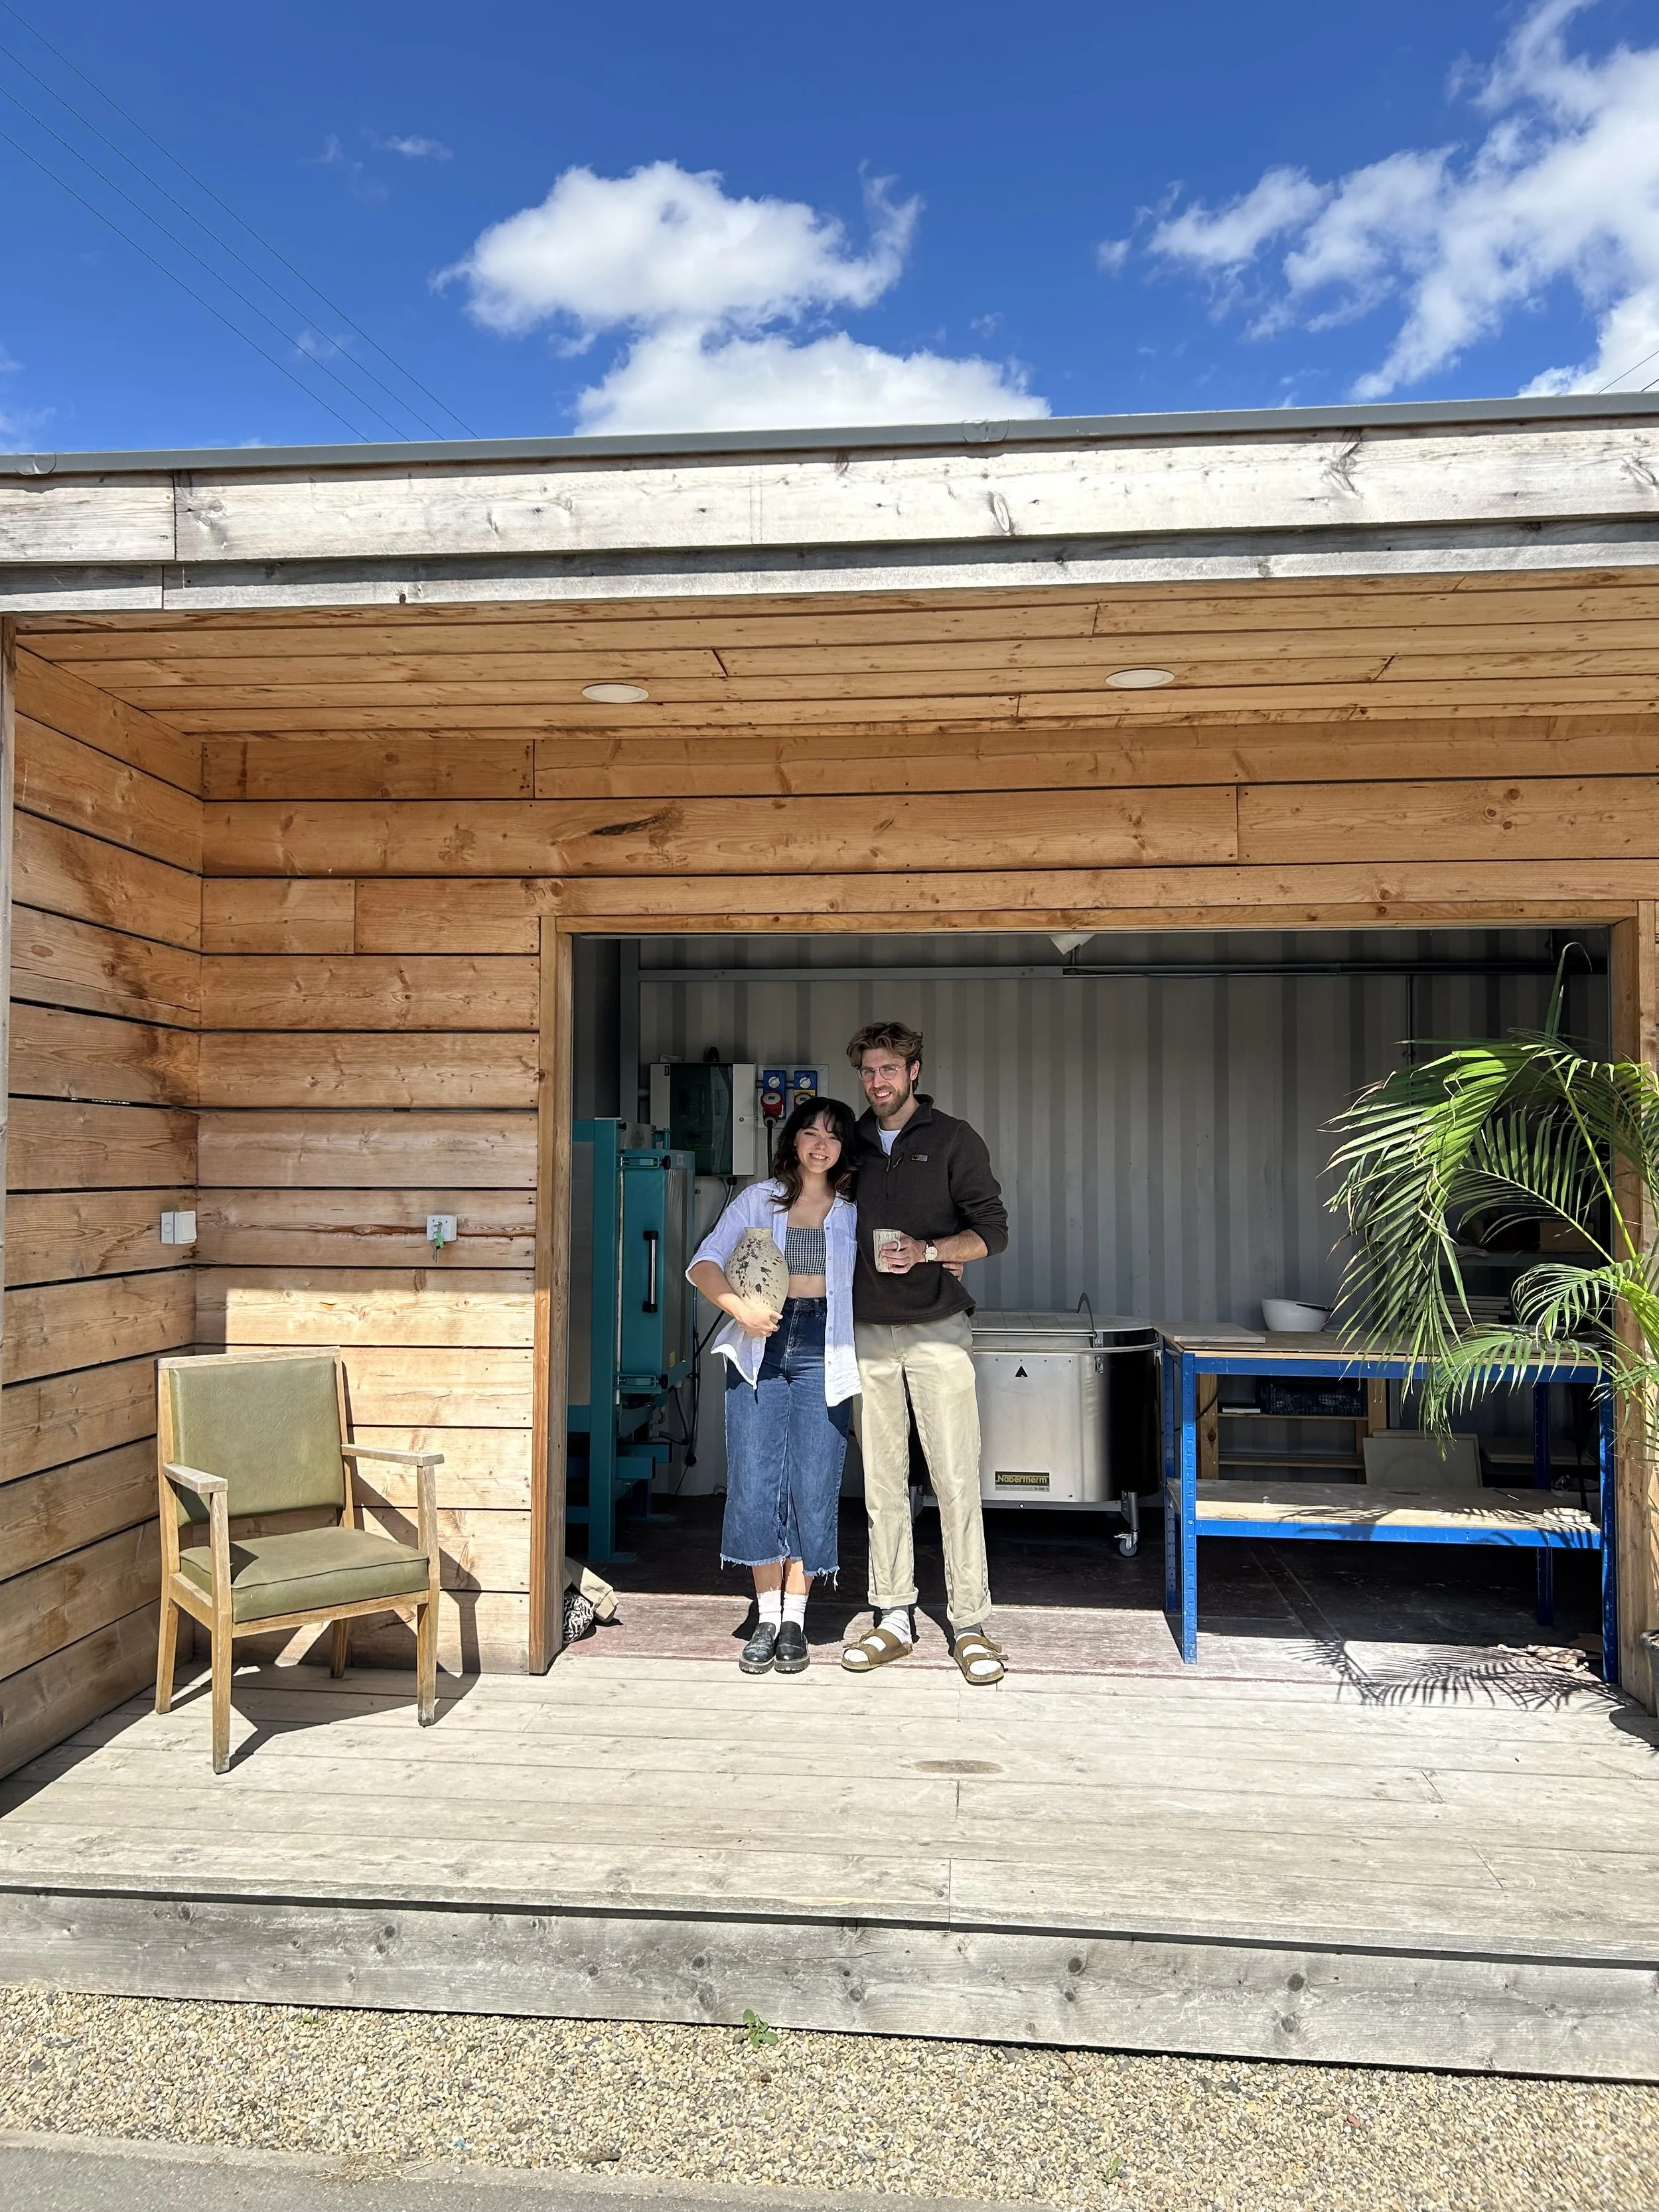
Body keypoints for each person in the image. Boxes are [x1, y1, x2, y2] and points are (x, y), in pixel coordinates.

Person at [840, 1021, 1009, 1685]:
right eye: (868, 1072)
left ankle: (968, 1624)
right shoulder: (846, 1144)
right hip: (865, 1332)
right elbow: (811, 1217)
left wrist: (933, 1252)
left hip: (937, 1329)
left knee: (954, 1478)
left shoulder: (952, 1139)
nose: (877, 1081)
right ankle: (893, 1617)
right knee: (881, 1484)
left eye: (889, 1070)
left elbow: (992, 1232)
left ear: (914, 1072)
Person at [687, 1098, 860, 1676]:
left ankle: (796, 1621)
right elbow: (704, 1262)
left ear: (843, 1148)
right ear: (792, 1140)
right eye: (809, 1132)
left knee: (813, 1478)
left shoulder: (855, 1209)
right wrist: (740, 1309)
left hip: (824, 1348)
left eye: (832, 1137)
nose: (819, 1145)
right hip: (763, 1341)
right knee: (756, 1476)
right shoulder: (760, 1198)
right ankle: (765, 1616)